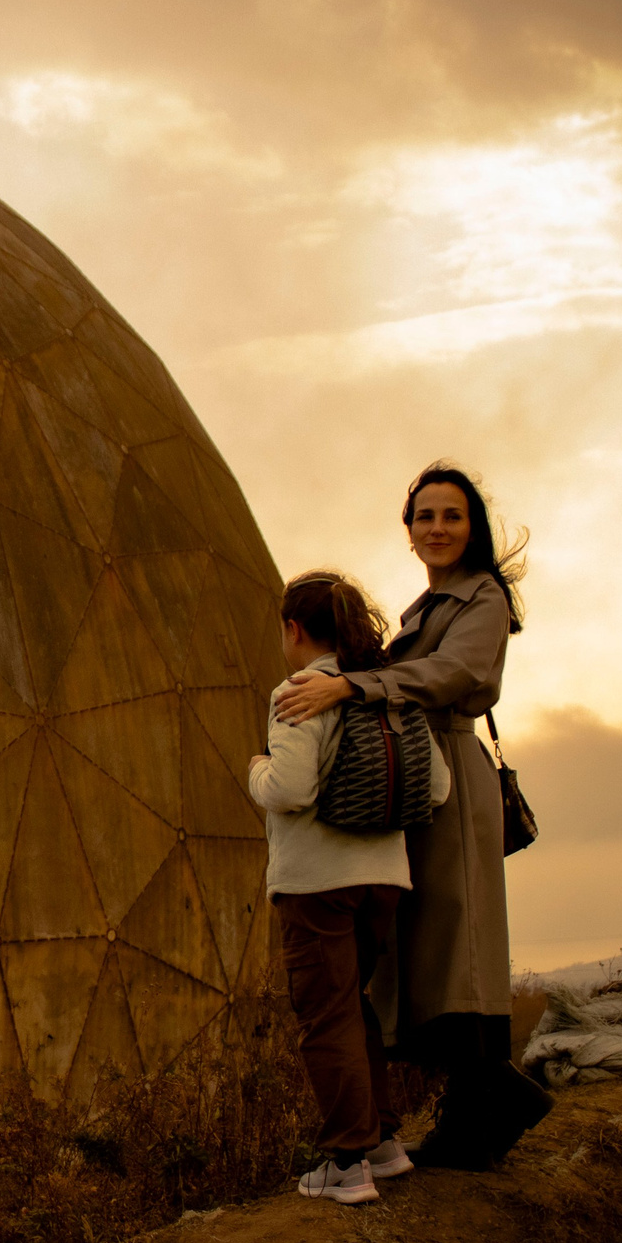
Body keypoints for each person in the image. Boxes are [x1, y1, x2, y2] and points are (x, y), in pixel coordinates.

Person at [272, 464, 553, 1168]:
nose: (437, 528)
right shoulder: (429, 605)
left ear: (473, 527)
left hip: (452, 773)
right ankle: (474, 1104)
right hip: (426, 779)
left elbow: (455, 676)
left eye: (451, 516)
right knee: (432, 947)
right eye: (425, 516)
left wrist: (352, 685)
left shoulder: (481, 598)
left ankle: (487, 1103)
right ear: (409, 529)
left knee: (460, 944)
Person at [249, 571, 452, 1205]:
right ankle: (383, 1146)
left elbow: (289, 790)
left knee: (323, 1017)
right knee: (351, 1006)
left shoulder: (300, 692)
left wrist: (255, 770)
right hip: (384, 880)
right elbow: (437, 788)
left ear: (294, 628)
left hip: (316, 884)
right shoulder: (385, 692)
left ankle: (345, 1164)